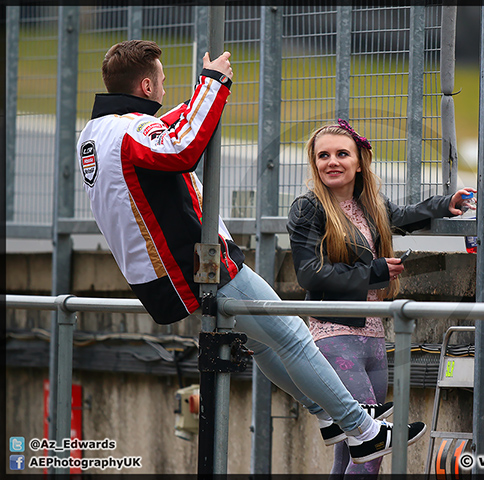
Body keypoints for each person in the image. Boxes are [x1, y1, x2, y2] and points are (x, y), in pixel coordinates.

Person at [76, 40, 426, 466]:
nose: (166, 91)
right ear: (146, 85)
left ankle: (329, 416)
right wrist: (214, 84)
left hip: (163, 274)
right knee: (294, 338)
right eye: (163, 82)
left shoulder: (96, 132)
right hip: (201, 265)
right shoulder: (130, 131)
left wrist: (198, 96)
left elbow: (168, 130)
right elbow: (181, 148)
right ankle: (362, 430)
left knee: (264, 345)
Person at [287, 120, 475, 477]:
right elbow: (309, 274)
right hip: (334, 337)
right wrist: (372, 272)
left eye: (342, 154)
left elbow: (402, 217)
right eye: (323, 155)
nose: (332, 162)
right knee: (372, 448)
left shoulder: (368, 205)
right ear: (314, 163)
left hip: (372, 336)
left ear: (360, 161)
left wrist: (444, 203)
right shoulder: (308, 208)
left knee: (352, 452)